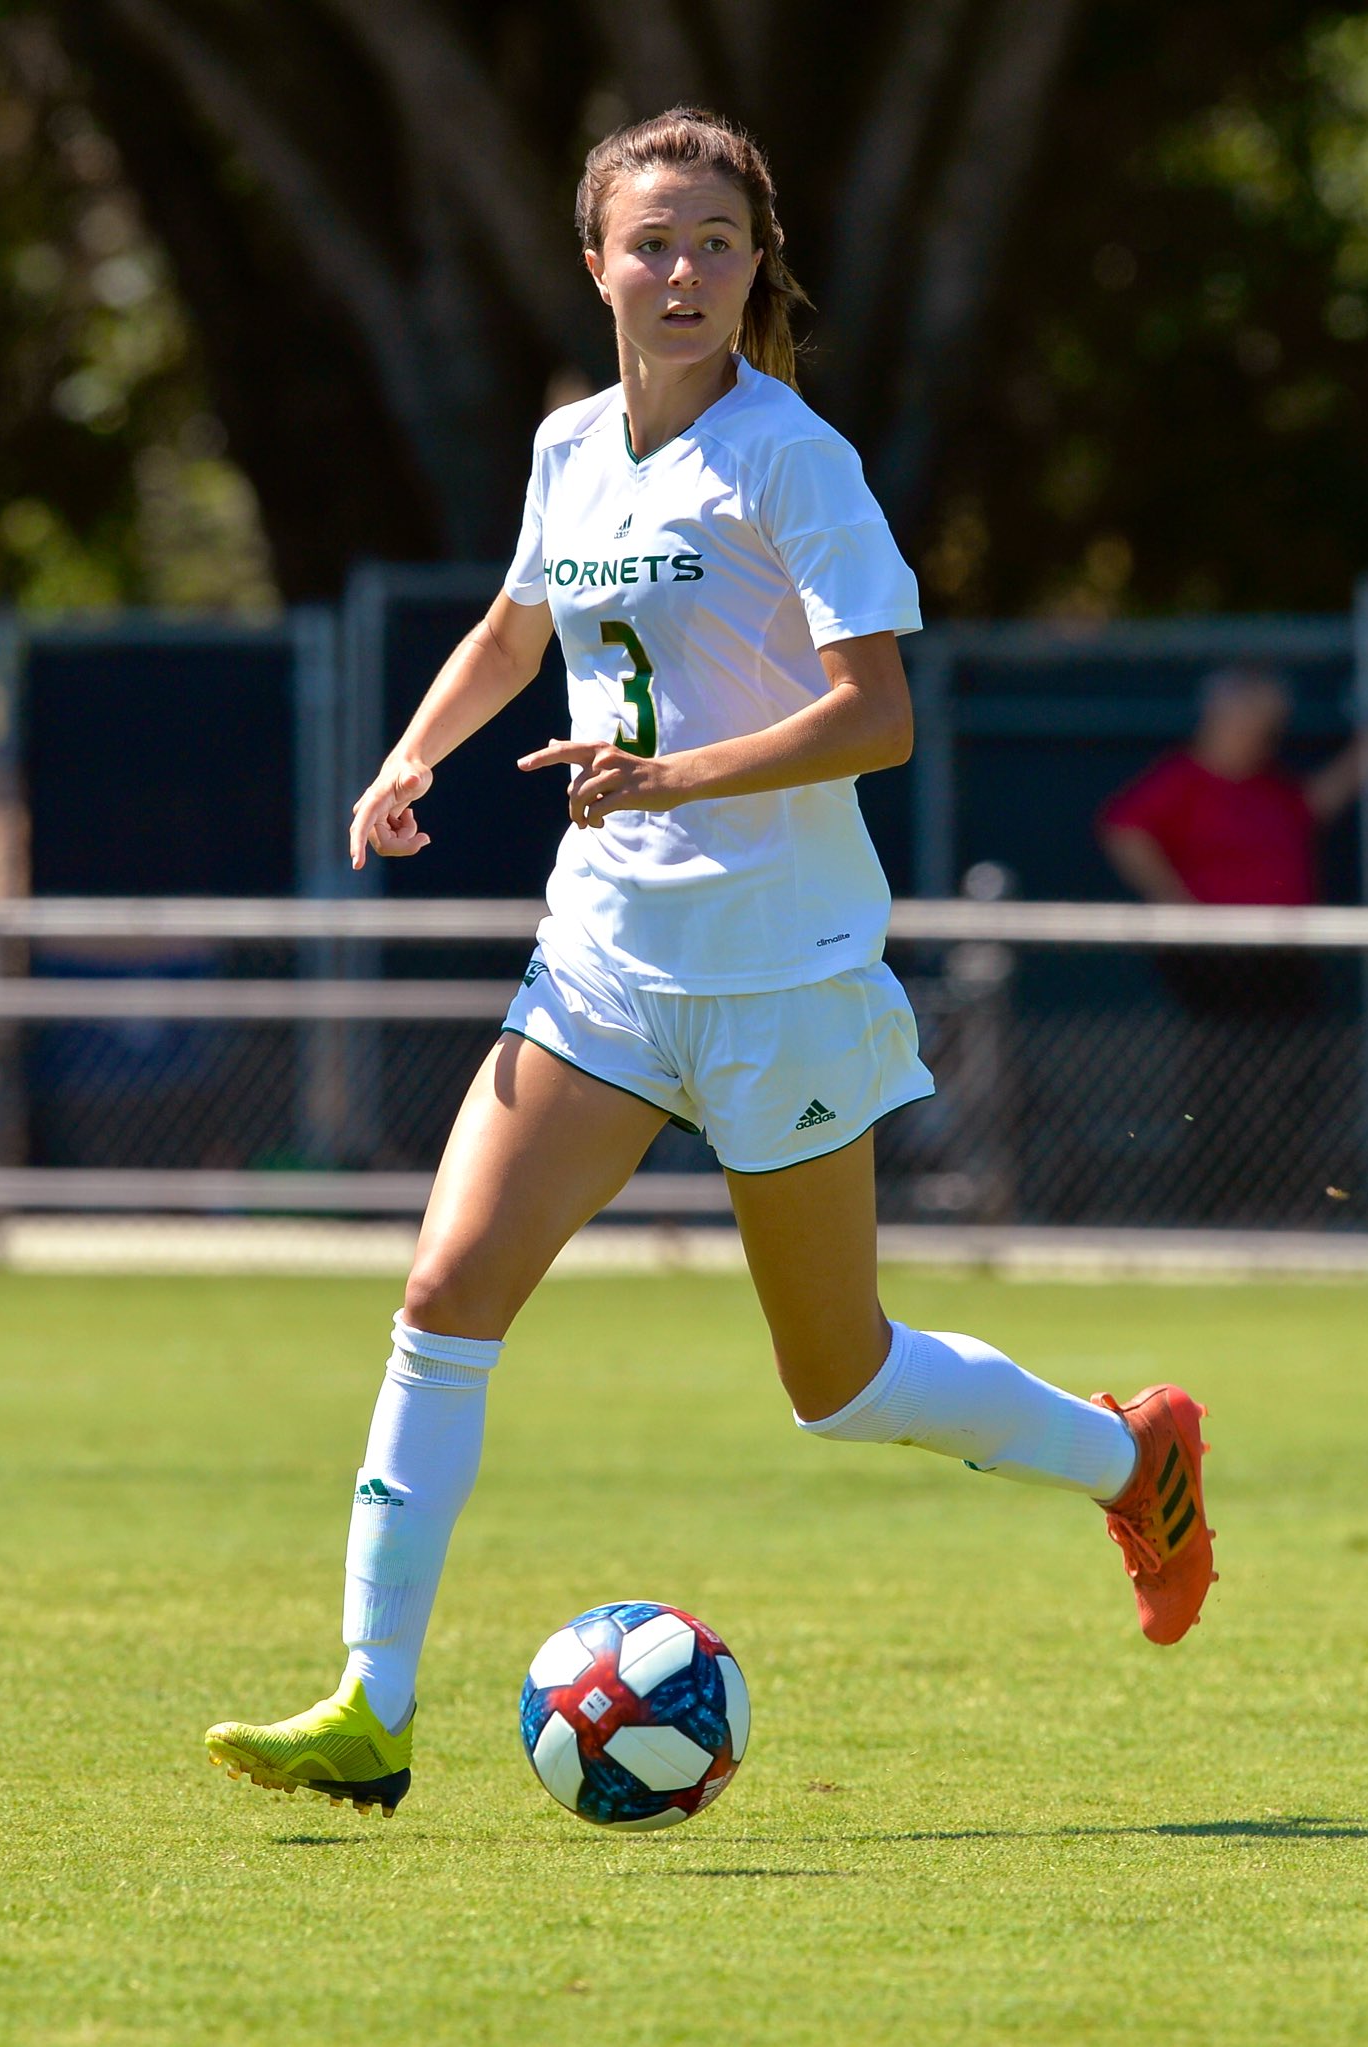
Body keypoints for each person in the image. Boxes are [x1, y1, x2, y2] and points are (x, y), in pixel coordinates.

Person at [204, 109, 1217, 1817]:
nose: (684, 273)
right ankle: (369, 1709)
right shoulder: (567, 450)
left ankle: (1137, 1454)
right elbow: (521, 623)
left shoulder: (790, 459)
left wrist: (667, 775)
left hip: (780, 976)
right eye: (652, 241)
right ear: (593, 260)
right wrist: (415, 752)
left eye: (717, 244)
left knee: (839, 1384)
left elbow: (876, 717)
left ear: (757, 266)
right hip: (599, 966)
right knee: (444, 1296)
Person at [1098, 665, 1368, 1018]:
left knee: (1295, 1057)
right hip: (1218, 958)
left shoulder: (1269, 784)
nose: (1266, 735)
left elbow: (1313, 805)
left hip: (1287, 955)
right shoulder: (1183, 780)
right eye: (1257, 722)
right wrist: (1175, 901)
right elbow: (1124, 829)